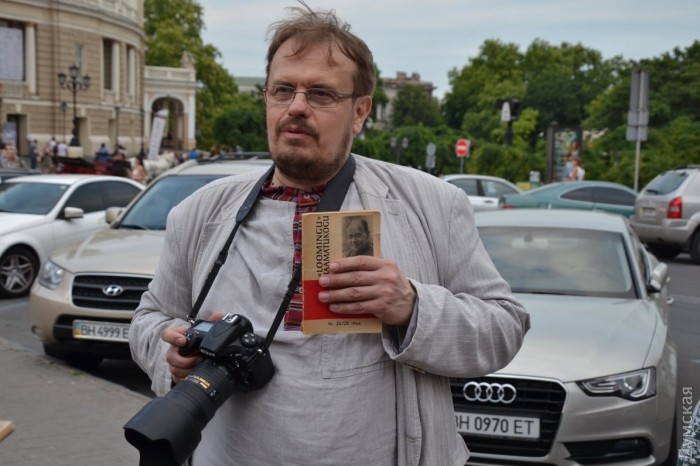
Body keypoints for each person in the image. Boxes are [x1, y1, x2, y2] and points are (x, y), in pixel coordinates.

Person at [128, 3, 529, 466]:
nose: (296, 107)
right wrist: (174, 350)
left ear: (360, 112)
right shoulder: (199, 213)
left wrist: (412, 307)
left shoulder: (432, 205)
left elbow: (504, 327)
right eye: (283, 90)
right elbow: (148, 319)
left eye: (320, 94)